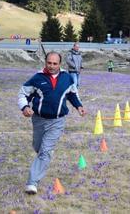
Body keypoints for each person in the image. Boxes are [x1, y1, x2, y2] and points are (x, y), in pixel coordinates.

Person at [18, 52, 86, 195]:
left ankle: (32, 183)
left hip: (57, 121)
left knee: (45, 151)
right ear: (45, 62)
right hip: (39, 120)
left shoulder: (67, 78)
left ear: (59, 64)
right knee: (38, 147)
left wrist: (78, 106)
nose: (52, 66)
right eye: (49, 63)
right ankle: (45, 154)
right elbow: (23, 93)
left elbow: (72, 94)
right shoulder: (37, 78)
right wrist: (25, 107)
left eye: (55, 63)